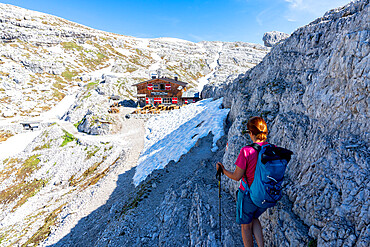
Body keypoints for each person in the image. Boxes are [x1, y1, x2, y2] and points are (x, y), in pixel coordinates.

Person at [216, 116, 269, 247]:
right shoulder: (270, 149)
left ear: (251, 133)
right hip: (265, 195)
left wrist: (222, 170)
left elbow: (236, 176)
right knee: (254, 218)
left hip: (248, 195)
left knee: (245, 227)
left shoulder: (247, 151)